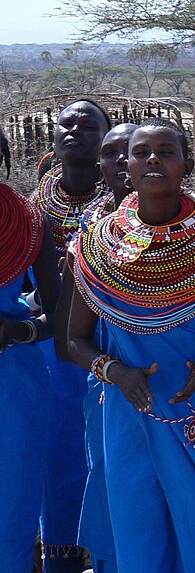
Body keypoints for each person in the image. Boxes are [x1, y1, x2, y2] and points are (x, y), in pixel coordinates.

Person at [66, 118, 195, 572]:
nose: (153, 159)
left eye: (166, 151)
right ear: (127, 168)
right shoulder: (95, 249)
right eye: (142, 153)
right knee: (141, 540)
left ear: (187, 165)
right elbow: (74, 340)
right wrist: (116, 372)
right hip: (130, 413)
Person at [32, 97, 111, 571]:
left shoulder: (124, 203)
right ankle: (59, 553)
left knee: (100, 455)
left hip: (103, 344)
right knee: (56, 455)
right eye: (67, 125)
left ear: (106, 138)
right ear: (53, 136)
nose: (75, 132)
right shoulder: (36, 204)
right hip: (47, 350)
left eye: (88, 126)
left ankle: (104, 553)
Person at [60, 122, 138, 573]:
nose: (122, 162)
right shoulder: (87, 240)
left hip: (178, 386)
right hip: (109, 392)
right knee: (115, 498)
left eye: (131, 150)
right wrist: (113, 370)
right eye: (110, 153)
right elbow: (69, 339)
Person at [0, 179, 59, 573]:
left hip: (14, 384)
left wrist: (16, 331)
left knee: (12, 508)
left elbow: (58, 314)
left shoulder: (28, 222)